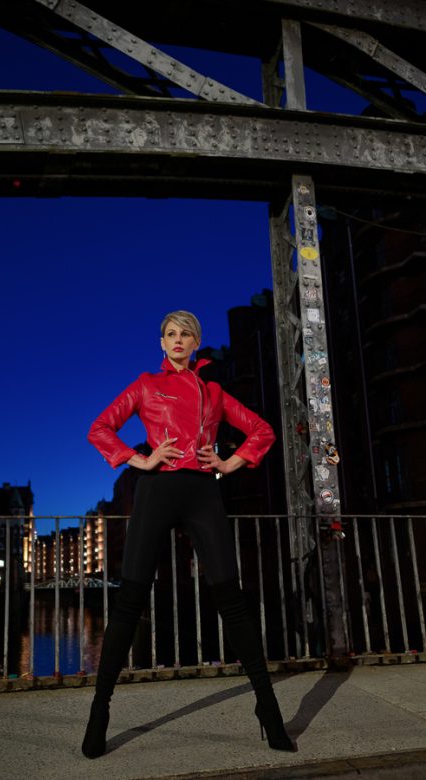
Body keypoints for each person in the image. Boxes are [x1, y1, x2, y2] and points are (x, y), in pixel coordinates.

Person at [82, 310, 295, 758]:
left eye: (186, 334)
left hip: (202, 493)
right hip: (156, 491)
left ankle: (268, 708)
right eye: (170, 334)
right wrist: (140, 459)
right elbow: (99, 428)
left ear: (196, 343)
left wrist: (229, 463)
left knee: (231, 599)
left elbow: (262, 430)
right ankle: (100, 710)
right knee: (129, 602)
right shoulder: (146, 384)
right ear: (161, 343)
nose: (178, 340)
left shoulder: (214, 392)